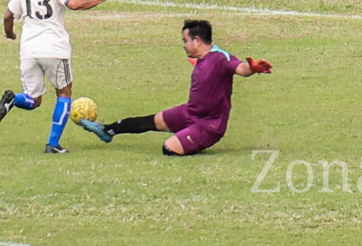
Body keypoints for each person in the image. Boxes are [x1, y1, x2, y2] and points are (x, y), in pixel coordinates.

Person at [80, 19, 272, 155]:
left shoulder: (220, 58)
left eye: (185, 40)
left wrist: (252, 69)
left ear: (197, 40)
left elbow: (240, 68)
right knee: (150, 121)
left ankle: (193, 140)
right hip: (190, 112)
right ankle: (107, 131)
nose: (184, 45)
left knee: (168, 149)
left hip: (209, 124)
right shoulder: (203, 58)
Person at [0, 0, 116, 154]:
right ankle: (53, 144)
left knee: (33, 99)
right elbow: (74, 4)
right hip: (55, 48)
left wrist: (10, 33)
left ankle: (13, 99)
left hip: (29, 49)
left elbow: (8, 16)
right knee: (64, 93)